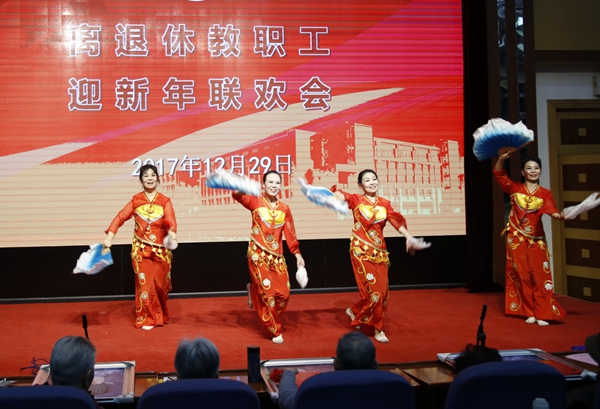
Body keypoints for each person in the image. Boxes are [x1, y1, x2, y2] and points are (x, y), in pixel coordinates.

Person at [332, 169, 424, 343]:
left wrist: (408, 237)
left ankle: (354, 311)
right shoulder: (357, 200)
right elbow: (341, 195)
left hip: (380, 253)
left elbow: (396, 221)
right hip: (361, 251)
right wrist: (336, 195)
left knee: (383, 293)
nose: (372, 182)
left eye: (374, 179)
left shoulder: (384, 203)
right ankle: (378, 329)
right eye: (367, 180)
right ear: (361, 185)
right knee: (374, 291)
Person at [232, 170, 305, 344]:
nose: (274, 186)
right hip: (257, 256)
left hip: (277, 258)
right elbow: (237, 194)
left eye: (277, 183)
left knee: (283, 296)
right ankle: (275, 331)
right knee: (268, 296)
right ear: (263, 185)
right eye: (270, 182)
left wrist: (297, 254)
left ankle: (253, 292)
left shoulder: (284, 208)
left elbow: (290, 233)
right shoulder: (255, 201)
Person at [494, 153, 566, 326]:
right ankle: (529, 311)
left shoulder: (545, 193)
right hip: (516, 239)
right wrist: (501, 159)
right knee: (522, 275)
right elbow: (500, 175)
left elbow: (551, 210)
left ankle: (542, 312)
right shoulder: (515, 188)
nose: (533, 171)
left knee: (540, 276)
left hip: (536, 240)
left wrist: (560, 216)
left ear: (540, 171)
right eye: (529, 168)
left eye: (536, 168)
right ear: (522, 172)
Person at [104, 164, 178, 330]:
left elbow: (171, 221)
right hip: (141, 251)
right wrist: (110, 237)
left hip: (160, 252)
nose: (149, 178)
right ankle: (149, 318)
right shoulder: (136, 200)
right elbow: (120, 218)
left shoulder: (164, 201)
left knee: (160, 286)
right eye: (146, 175)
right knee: (146, 285)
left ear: (157, 179)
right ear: (141, 180)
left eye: (152, 175)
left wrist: (172, 236)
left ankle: (161, 314)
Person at [277, 331, 378, 409]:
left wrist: (288, 374)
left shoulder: (319, 387)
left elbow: (287, 400)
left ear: (336, 365)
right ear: (376, 365)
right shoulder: (387, 384)